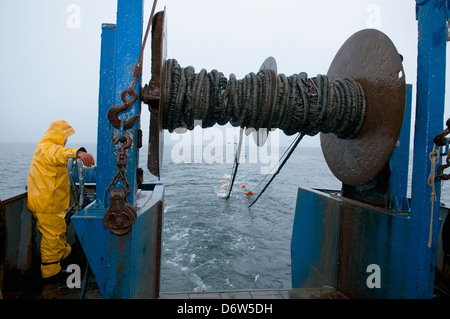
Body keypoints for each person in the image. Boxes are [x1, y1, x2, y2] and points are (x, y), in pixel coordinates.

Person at [27, 120, 95, 279]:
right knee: (52, 237)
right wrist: (78, 152)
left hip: (49, 203)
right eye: (65, 136)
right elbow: (59, 153)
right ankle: (51, 272)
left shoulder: (43, 147)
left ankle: (63, 255)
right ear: (58, 135)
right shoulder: (48, 148)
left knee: (58, 233)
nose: (66, 140)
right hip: (48, 204)